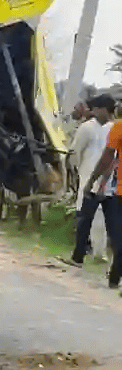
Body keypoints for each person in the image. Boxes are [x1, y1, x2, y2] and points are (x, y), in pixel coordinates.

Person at [64, 94, 115, 268]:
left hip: (108, 182)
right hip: (88, 177)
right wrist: (76, 170)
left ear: (103, 110)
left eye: (96, 109)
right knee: (85, 220)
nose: (93, 112)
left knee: (103, 222)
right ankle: (79, 256)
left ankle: (100, 255)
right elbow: (75, 152)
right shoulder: (87, 128)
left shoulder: (113, 129)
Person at [83, 100, 122, 289]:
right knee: (118, 240)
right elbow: (109, 159)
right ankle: (114, 279)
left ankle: (114, 278)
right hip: (120, 193)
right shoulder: (119, 128)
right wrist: (95, 181)